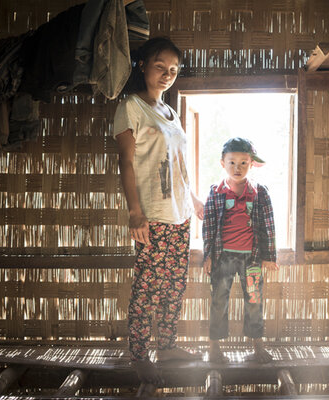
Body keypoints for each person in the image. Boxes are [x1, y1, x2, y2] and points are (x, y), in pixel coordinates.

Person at [112, 37, 203, 384]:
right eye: (160, 66)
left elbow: (177, 162)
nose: (167, 74)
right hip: (152, 214)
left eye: (174, 70)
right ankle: (139, 352)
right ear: (142, 66)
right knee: (148, 286)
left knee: (174, 285)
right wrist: (135, 213)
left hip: (179, 214)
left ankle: (166, 346)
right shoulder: (131, 106)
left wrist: (192, 198)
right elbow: (126, 161)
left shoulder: (170, 111)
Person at [202, 137, 279, 364]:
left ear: (252, 164)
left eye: (243, 163)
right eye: (232, 162)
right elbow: (208, 226)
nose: (238, 168)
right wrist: (208, 256)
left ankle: (257, 345)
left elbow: (268, 224)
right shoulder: (216, 192)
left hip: (252, 259)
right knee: (218, 300)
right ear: (222, 163)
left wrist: (269, 256)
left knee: (254, 300)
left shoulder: (259, 192)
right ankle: (214, 346)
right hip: (222, 257)